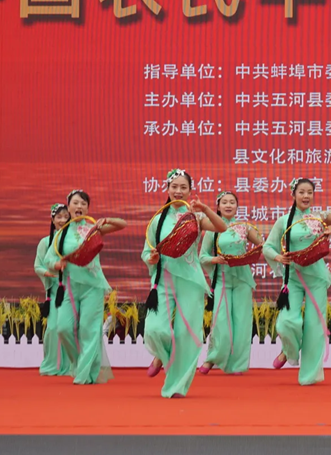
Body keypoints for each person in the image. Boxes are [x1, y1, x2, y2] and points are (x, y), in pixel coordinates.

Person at [263, 178, 331, 385]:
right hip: (293, 279)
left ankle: (309, 376)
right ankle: (289, 350)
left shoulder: (320, 217)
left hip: (316, 278)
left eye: (310, 192)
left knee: (314, 327)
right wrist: (278, 257)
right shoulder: (284, 221)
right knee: (287, 322)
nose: (306, 196)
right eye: (302, 192)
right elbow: (267, 247)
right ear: (293, 194)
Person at [142, 169, 226, 398]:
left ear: (190, 191)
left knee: (186, 334)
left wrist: (205, 209)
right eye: (174, 187)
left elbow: (222, 228)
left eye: (183, 187)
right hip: (163, 280)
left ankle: (176, 386)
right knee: (154, 329)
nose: (178, 191)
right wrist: (151, 258)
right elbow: (147, 250)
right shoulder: (157, 220)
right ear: (167, 189)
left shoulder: (195, 217)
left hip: (191, 281)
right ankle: (162, 356)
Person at [49, 189, 126, 385]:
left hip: (92, 286)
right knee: (63, 328)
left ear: (87, 209)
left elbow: (122, 224)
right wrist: (57, 264)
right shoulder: (61, 233)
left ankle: (83, 374)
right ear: (68, 207)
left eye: (83, 204)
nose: (79, 206)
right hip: (69, 287)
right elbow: (49, 259)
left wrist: (107, 220)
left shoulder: (93, 228)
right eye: (75, 203)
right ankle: (81, 364)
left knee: (88, 329)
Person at [198, 191, 263, 376]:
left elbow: (262, 245)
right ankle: (212, 358)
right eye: (224, 202)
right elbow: (202, 257)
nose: (228, 205)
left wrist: (255, 251)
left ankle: (238, 365)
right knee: (221, 322)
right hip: (222, 280)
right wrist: (215, 260)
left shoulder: (244, 227)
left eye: (232, 202)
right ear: (218, 207)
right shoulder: (213, 229)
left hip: (242, 280)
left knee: (242, 323)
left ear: (237, 206)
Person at [34, 203, 72, 376]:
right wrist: (47, 273)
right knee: (53, 328)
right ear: (52, 219)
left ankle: (72, 365)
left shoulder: (73, 240)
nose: (62, 220)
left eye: (66, 217)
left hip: (72, 288)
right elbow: (38, 265)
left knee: (69, 327)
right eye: (59, 217)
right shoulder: (45, 242)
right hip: (56, 290)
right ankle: (53, 364)